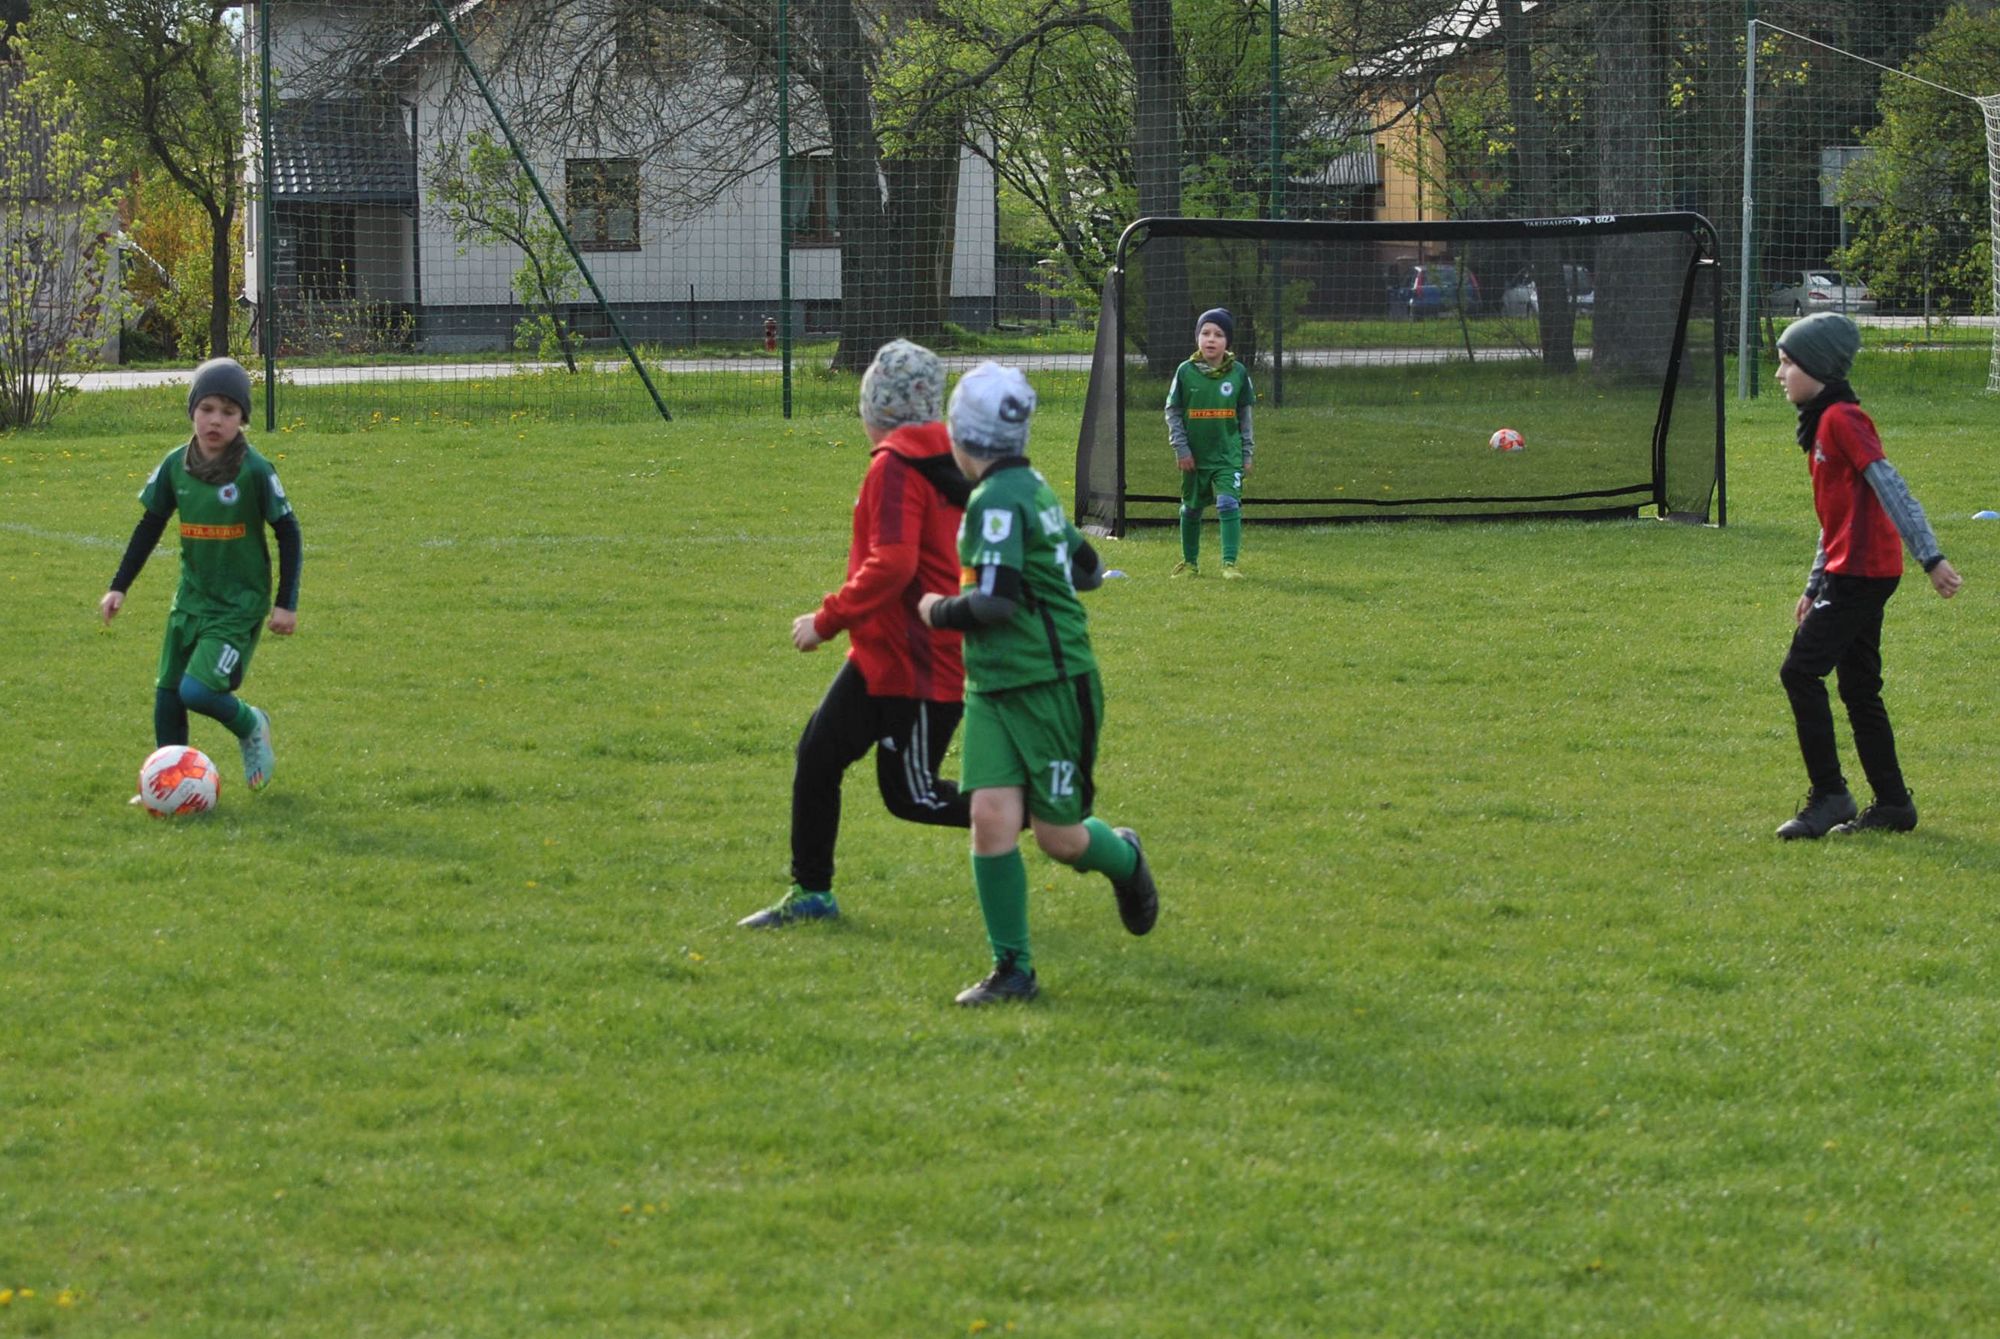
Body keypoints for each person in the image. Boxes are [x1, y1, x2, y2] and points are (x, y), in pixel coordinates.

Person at [918, 362, 1158, 1006]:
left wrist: (936, 609)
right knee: (990, 818)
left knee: (1060, 838)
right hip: (992, 686)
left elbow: (995, 603)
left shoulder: (999, 499)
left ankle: (1126, 858)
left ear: (962, 437)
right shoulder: (1030, 487)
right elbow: (1088, 568)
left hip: (1051, 684)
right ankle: (1013, 970)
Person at [740, 339, 974, 928]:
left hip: (920, 662)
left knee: (912, 797)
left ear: (878, 408)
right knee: (818, 754)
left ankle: (1057, 818)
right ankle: (812, 892)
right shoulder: (944, 456)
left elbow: (893, 563)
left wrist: (826, 621)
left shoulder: (896, 465)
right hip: (882, 654)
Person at [1772, 312, 1961, 839]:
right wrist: (1814, 584)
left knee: (1800, 672)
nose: (1780, 374)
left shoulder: (1843, 419)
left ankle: (1831, 795)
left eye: (1788, 363)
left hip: (1861, 573)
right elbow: (1834, 518)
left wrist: (1931, 557)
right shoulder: (1820, 424)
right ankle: (1894, 805)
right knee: (1859, 688)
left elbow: (1890, 487)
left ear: (1817, 368)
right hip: (1850, 572)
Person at [99, 357, 299, 794]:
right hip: (190, 599)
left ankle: (251, 723)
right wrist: (119, 586)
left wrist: (286, 603)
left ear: (242, 419)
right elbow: (150, 524)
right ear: (192, 411)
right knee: (168, 691)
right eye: (207, 409)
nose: (215, 420)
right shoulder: (176, 465)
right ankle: (168, 785)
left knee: (199, 691)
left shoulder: (255, 470)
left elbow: (288, 532)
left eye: (228, 412)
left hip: (238, 606)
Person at [1165, 306, 1256, 579]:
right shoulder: (1185, 371)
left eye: (1218, 334)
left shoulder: (1238, 373)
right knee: (1192, 508)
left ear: (1228, 341)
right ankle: (1190, 563)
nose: (1211, 339)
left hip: (1228, 455)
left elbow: (1245, 418)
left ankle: (1229, 564)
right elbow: (1172, 412)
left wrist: (1247, 453)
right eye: (1205, 333)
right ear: (1197, 338)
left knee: (1228, 503)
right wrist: (1181, 448)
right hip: (1194, 456)